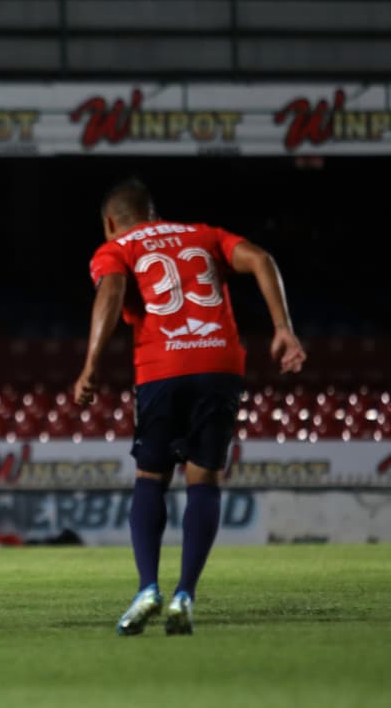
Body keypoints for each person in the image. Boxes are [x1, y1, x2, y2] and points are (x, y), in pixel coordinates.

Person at [72, 178, 305, 636]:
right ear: (154, 212)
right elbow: (261, 259)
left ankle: (146, 589)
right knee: (205, 479)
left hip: (164, 365)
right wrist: (283, 328)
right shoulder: (204, 234)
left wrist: (91, 366)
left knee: (151, 477)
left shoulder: (116, 247)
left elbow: (111, 293)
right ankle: (185, 595)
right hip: (220, 361)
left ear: (109, 222)